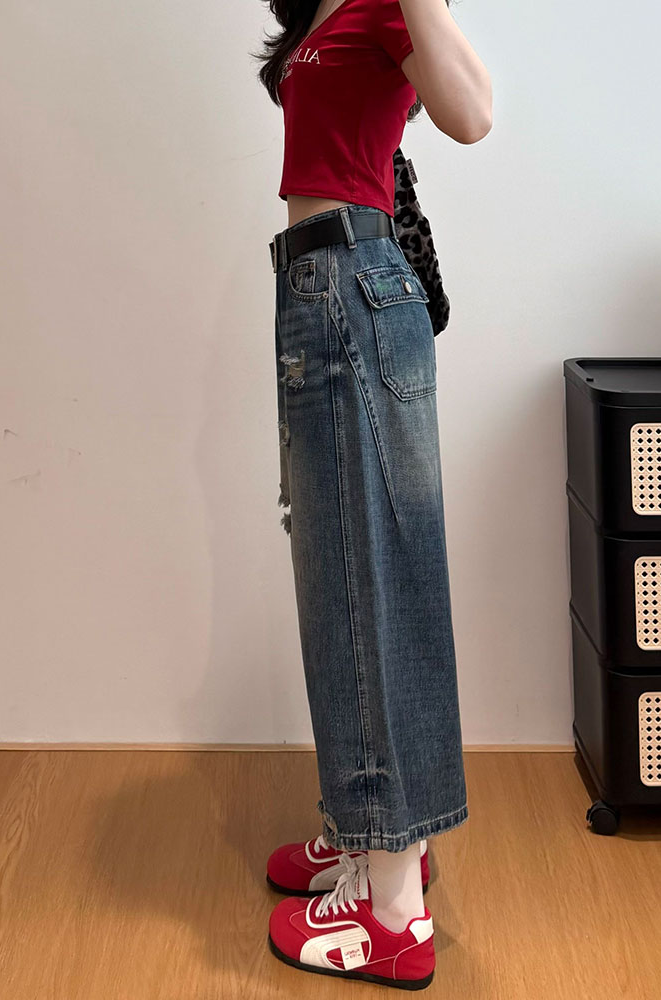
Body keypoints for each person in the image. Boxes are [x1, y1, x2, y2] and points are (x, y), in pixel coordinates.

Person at [254, 0, 492, 988]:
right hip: (320, 288)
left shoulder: (394, 4)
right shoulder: (324, 11)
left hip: (353, 285)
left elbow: (472, 116)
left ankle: (392, 913)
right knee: (341, 580)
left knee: (371, 582)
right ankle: (373, 830)